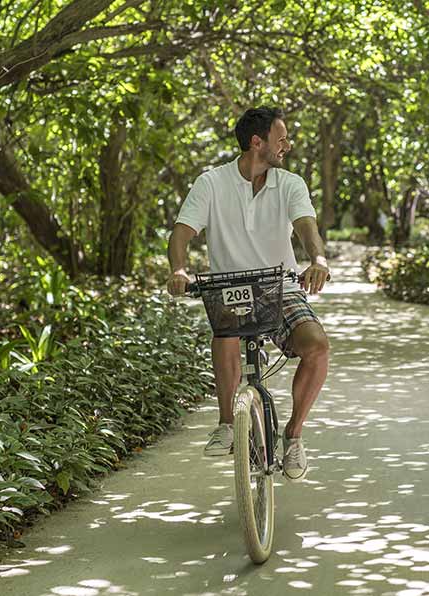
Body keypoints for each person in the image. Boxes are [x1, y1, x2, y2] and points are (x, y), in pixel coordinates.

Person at [166, 107, 331, 480]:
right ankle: (227, 423)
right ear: (258, 142)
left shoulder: (290, 184)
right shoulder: (211, 183)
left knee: (317, 346)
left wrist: (317, 259)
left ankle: (293, 436)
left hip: (280, 285)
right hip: (230, 288)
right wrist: (178, 269)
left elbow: (306, 228)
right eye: (281, 138)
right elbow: (181, 232)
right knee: (225, 331)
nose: (286, 145)